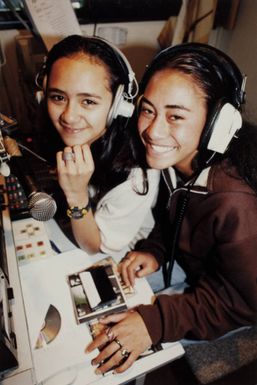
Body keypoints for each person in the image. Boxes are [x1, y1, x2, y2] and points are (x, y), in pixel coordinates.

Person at [86, 42, 257, 378]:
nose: (153, 130)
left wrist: (156, 322)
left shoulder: (237, 202)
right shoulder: (178, 161)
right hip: (201, 281)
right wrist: (156, 250)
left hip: (235, 307)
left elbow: (246, 302)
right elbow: (175, 218)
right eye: (148, 110)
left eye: (176, 115)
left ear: (219, 123)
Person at [36, 34, 160, 254]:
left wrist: (76, 196)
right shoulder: (75, 134)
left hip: (119, 252)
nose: (69, 116)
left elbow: (94, 247)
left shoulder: (137, 177)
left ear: (118, 106)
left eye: (88, 101)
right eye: (58, 97)